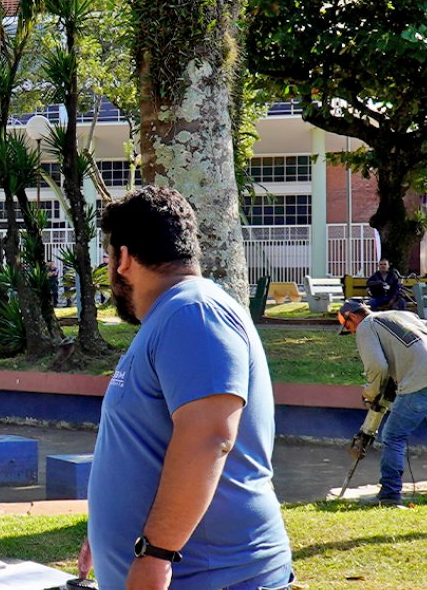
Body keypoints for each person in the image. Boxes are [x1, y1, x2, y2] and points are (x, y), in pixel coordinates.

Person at [79, 187, 292, 590]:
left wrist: (156, 554)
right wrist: (110, 531)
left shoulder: (194, 312)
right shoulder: (174, 316)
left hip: (213, 578)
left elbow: (209, 438)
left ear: (123, 258)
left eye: (107, 257)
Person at [337, 299, 427, 506]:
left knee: (393, 435)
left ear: (354, 316)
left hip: (420, 380)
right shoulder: (402, 315)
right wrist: (412, 355)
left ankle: (390, 495)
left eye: (347, 327)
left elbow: (377, 366)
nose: (349, 332)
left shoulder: (366, 326)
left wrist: (371, 393)